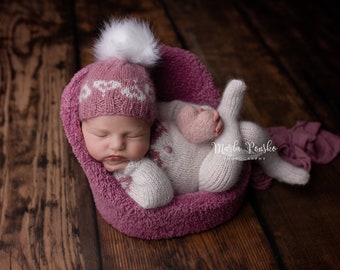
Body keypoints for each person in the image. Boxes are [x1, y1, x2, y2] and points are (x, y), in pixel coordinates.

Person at [76, 18, 309, 209]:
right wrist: (132, 167)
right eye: (101, 134)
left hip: (206, 139)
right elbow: (157, 195)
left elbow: (177, 108)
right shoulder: (122, 169)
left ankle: (274, 164)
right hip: (204, 172)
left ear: (147, 121)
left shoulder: (150, 110)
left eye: (133, 135)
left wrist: (196, 119)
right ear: (82, 126)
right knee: (221, 180)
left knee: (252, 132)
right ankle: (228, 111)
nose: (116, 144)